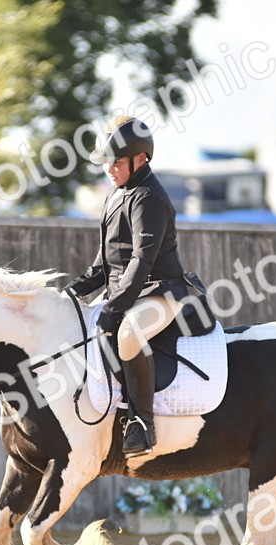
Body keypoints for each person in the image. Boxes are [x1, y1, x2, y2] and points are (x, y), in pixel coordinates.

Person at [68, 116, 194, 456]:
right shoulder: (117, 193)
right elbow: (104, 263)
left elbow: (142, 260)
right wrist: (72, 293)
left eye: (116, 162)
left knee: (127, 334)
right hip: (130, 292)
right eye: (107, 162)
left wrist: (113, 307)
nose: (109, 168)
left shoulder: (148, 197)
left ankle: (143, 424)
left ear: (141, 159)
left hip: (161, 292)